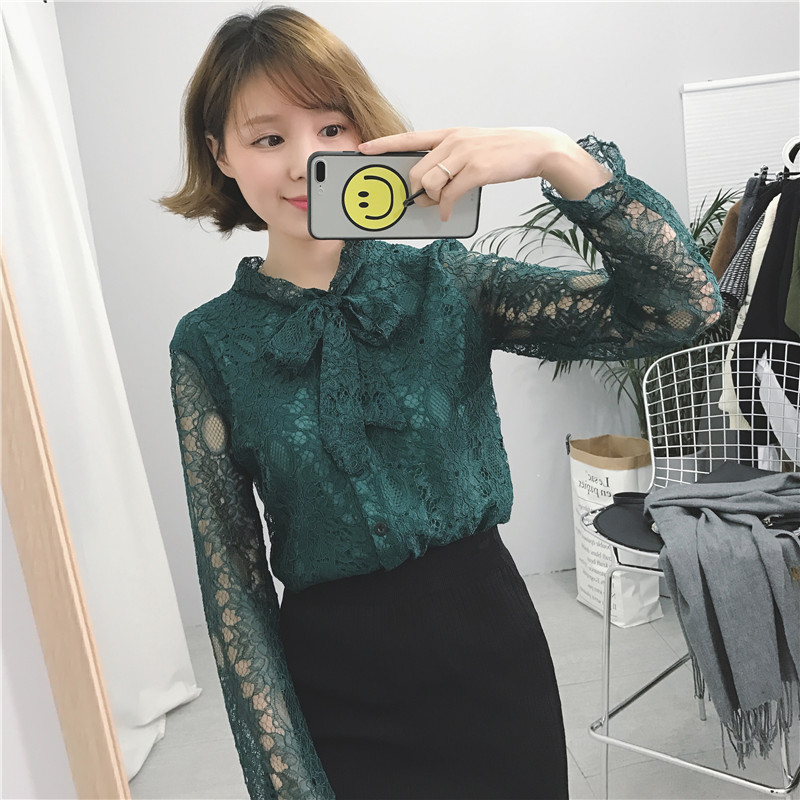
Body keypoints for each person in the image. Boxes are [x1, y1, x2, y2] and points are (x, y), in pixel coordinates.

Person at [161, 6, 722, 800]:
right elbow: (234, 589)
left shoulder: (449, 283)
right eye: (268, 138)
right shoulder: (210, 345)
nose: (305, 163)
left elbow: (681, 308)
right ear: (220, 153)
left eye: (331, 128)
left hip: (491, 664)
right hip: (336, 689)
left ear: (367, 136)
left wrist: (555, 155)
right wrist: (285, 780)